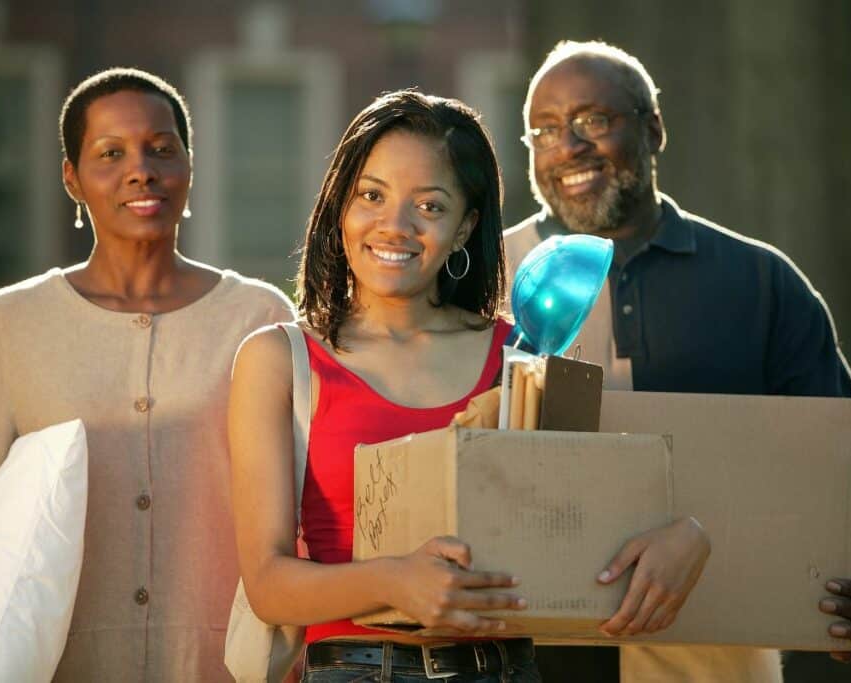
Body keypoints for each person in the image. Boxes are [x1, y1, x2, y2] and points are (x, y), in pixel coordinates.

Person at [227, 89, 711, 682]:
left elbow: (589, 527)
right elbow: (269, 586)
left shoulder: (521, 359)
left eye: (429, 206)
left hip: (504, 669)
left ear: (465, 228)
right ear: (340, 207)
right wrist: (393, 580)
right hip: (355, 670)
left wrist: (688, 534)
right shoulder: (279, 359)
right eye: (371, 196)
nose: (394, 225)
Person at [504, 40, 851, 682]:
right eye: (544, 131)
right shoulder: (491, 283)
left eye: (594, 121)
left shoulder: (763, 282)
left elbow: (846, 447)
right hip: (532, 656)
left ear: (654, 128)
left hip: (717, 656)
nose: (568, 146)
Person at [0, 68, 294, 682]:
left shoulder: (261, 318)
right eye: (110, 154)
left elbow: (308, 504)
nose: (141, 170)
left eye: (161, 148)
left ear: (189, 164)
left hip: (223, 666)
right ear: (72, 178)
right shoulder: (10, 324)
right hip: (62, 664)